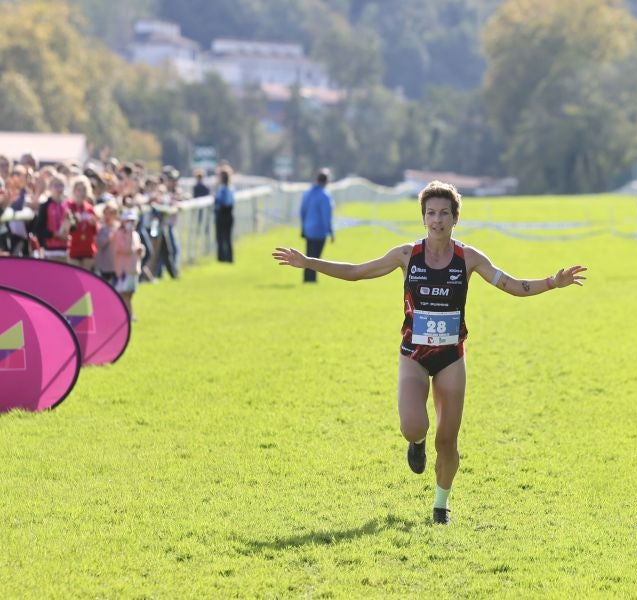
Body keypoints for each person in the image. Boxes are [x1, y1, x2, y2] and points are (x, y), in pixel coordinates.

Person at [272, 180, 587, 524]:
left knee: (448, 440)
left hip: (451, 357)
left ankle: (441, 505)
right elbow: (357, 272)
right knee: (412, 425)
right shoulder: (407, 255)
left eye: (444, 213)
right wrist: (308, 262)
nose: (437, 220)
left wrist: (552, 282)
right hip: (414, 356)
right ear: (423, 217)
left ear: (455, 218)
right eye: (431, 213)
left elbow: (511, 285)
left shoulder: (469, 258)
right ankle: (416, 443)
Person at [298, 169, 334, 283]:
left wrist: (303, 226)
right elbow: (326, 216)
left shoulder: (307, 193)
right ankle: (312, 279)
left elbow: (302, 211)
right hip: (319, 230)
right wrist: (330, 232)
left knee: (308, 255)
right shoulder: (325, 196)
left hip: (308, 228)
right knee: (316, 257)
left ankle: (306, 278)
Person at [113, 209, 145, 318]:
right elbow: (121, 249)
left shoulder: (136, 234)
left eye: (132, 221)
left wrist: (141, 250)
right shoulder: (119, 234)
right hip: (123, 269)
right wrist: (133, 247)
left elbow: (138, 251)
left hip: (134, 268)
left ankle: (129, 312)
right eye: (128, 221)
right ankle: (127, 314)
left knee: (130, 293)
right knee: (124, 292)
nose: (130, 223)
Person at [213, 167, 235, 262]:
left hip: (222, 214)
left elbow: (220, 201)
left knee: (221, 237)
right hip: (229, 214)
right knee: (228, 237)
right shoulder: (231, 188)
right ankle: (229, 258)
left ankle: (221, 258)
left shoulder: (222, 189)